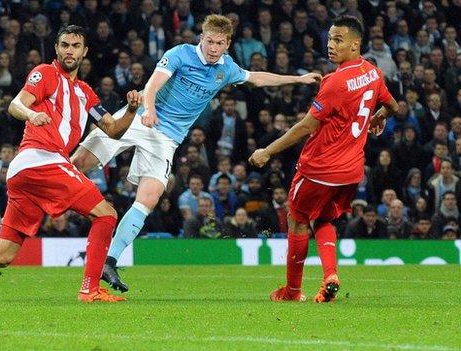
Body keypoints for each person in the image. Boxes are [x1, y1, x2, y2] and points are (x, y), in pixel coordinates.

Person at [71, 14, 320, 293]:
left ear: (228, 44)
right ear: (202, 37)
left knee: (148, 198)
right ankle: (42, 195)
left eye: (220, 43)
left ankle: (109, 260)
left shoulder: (226, 68)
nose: (214, 48)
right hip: (138, 119)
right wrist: (149, 109)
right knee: (78, 163)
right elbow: (153, 83)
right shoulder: (180, 54)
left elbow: (257, 78)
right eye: (210, 41)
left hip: (167, 138)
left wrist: (298, 79)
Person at [0, 25, 142, 303]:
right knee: (106, 214)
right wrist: (31, 115)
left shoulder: (85, 93)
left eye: (76, 46)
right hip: (41, 159)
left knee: (3, 254)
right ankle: (90, 289)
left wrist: (131, 110)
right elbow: (16, 104)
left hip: (27, 172)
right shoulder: (45, 73)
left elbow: (113, 130)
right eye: (65, 44)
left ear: (84, 52)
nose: (69, 50)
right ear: (56, 48)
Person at [250, 15, 399, 303]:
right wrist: (380, 116)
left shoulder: (335, 82)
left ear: (355, 45)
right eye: (330, 38)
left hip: (319, 169)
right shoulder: (373, 72)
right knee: (325, 218)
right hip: (352, 171)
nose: (331, 45)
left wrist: (267, 151)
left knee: (297, 220)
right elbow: (392, 105)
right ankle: (330, 274)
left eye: (338, 40)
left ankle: (292, 291)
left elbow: (307, 126)